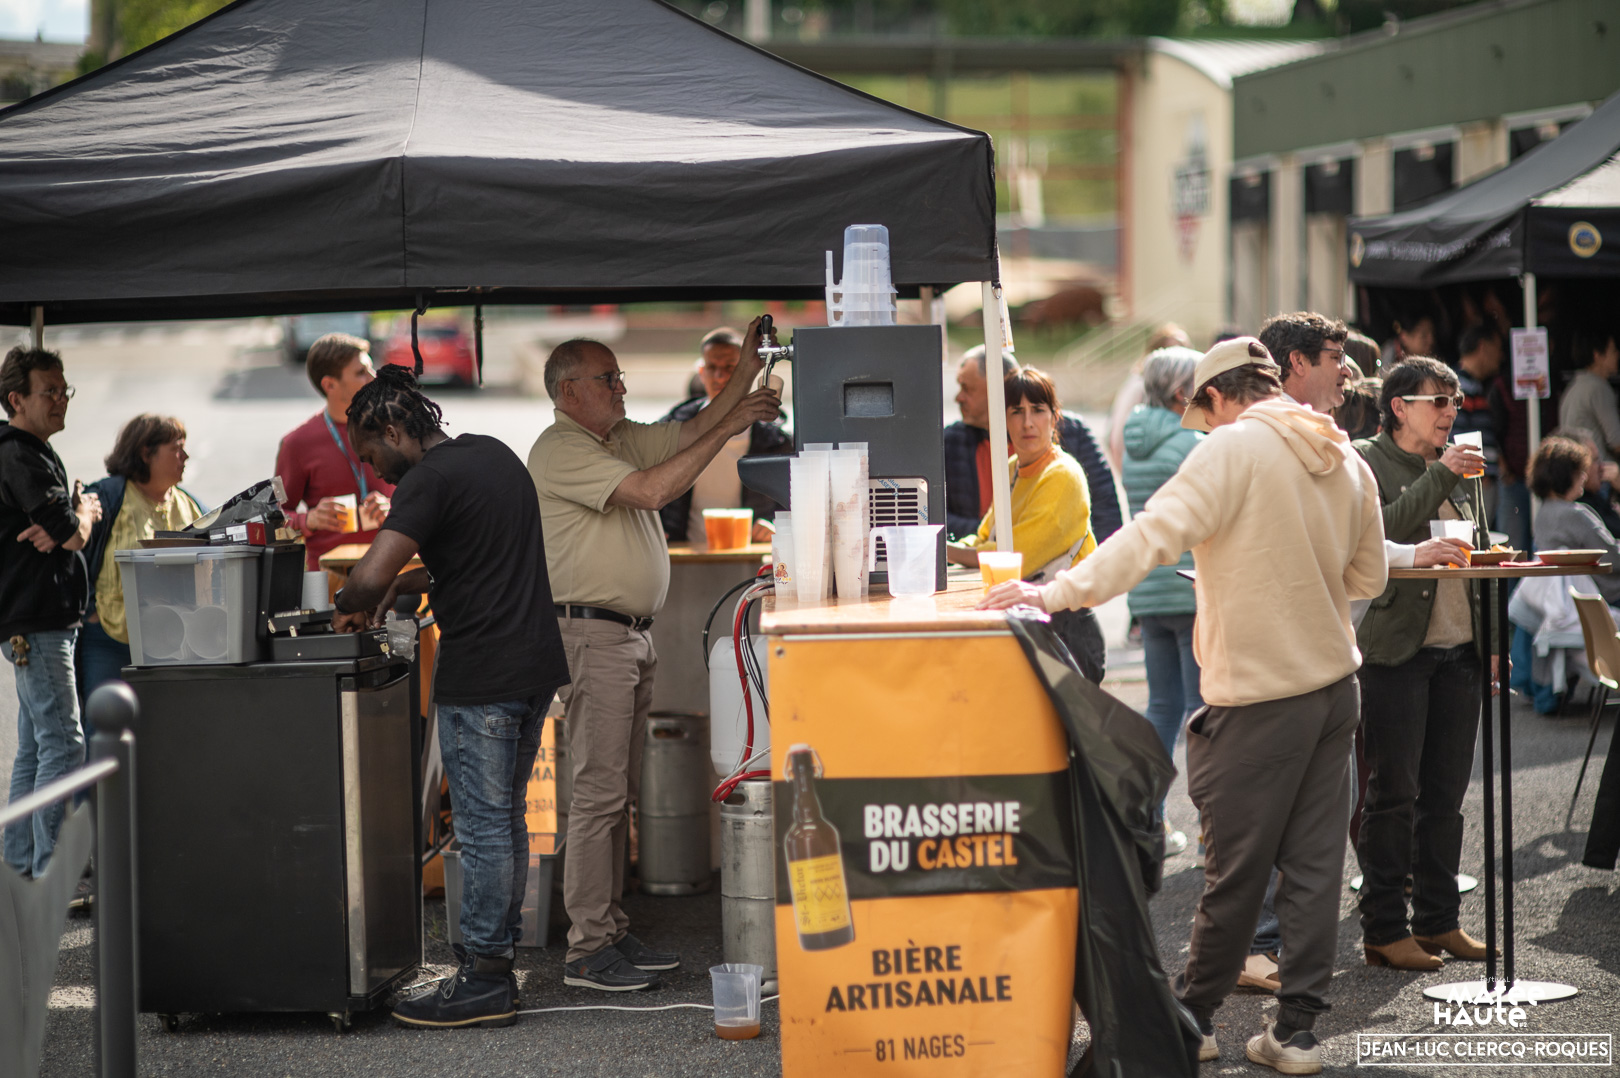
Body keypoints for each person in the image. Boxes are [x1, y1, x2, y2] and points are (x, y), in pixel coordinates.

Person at [983, 337, 1388, 1075]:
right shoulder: (1344, 454)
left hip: (1258, 696)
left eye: (1205, 415)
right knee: (1315, 867)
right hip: (1335, 687)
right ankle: (1296, 1032)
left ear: (1217, 398)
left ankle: (1192, 1019)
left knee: (1234, 870)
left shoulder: (1231, 448)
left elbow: (1148, 537)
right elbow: (1367, 579)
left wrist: (1052, 592)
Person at [529, 323, 781, 991]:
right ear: (568, 391)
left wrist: (745, 374)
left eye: (619, 376)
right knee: (599, 796)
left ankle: (609, 929)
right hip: (592, 637)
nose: (620, 387)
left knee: (620, 795)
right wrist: (734, 420)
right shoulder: (561, 448)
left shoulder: (613, 437)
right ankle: (588, 949)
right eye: (607, 378)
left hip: (625, 636)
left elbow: (695, 428)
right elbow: (652, 490)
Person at [330, 365, 570, 1028]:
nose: (376, 472)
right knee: (506, 820)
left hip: (484, 675)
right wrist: (403, 585)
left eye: (370, 456)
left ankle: (485, 977)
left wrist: (352, 598)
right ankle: (495, 965)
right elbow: (470, 559)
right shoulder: (491, 455)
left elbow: (366, 577)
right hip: (533, 666)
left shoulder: (426, 480)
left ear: (392, 429)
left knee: (484, 828)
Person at [1352, 357, 1493, 973]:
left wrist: (1491, 642)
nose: (1450, 412)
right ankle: (1384, 928)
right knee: (1393, 795)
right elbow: (1377, 535)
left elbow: (1478, 552)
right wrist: (1441, 473)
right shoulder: (1365, 460)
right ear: (1399, 407)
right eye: (1438, 400)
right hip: (1396, 651)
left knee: (1445, 797)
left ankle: (1438, 920)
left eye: (1455, 402)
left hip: (1459, 650)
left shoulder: (1460, 468)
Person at [1, 346, 101, 880]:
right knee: (64, 743)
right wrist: (80, 512)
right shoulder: (19, 453)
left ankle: (23, 868)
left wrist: (67, 521)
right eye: (50, 392)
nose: (61, 401)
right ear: (16, 399)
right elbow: (71, 533)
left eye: (65, 391)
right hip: (35, 621)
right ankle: (49, 875)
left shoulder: (30, 450)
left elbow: (61, 532)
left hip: (39, 619)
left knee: (37, 748)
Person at [946, 366, 1105, 681]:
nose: (1028, 422)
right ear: (1003, 420)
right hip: (1026, 620)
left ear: (1055, 417)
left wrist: (943, 550)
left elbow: (1012, 556)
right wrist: (953, 549)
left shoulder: (1063, 475)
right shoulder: (1011, 468)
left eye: (1038, 410)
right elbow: (984, 535)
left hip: (1067, 628)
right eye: (1016, 412)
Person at [1117, 346, 1203, 857]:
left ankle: (1150, 822)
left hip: (1148, 589)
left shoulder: (1134, 441)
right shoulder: (1193, 443)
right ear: (1180, 392)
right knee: (1201, 714)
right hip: (1189, 587)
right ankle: (1210, 831)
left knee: (1162, 708)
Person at [79, 414, 204, 706]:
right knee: (105, 720)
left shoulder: (189, 504)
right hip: (109, 641)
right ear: (146, 453)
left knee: (162, 725)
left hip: (173, 644)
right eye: (177, 448)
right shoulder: (105, 497)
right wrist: (91, 612)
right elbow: (74, 556)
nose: (185, 456)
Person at [943, 345, 1121, 543]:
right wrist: (996, 537)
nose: (958, 398)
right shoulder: (950, 442)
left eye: (967, 389)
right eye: (1017, 413)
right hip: (980, 559)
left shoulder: (1073, 434)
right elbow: (934, 517)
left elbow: (1107, 513)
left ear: (1000, 388)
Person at [657, 327, 792, 544]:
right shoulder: (673, 428)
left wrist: (776, 525)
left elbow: (795, 501)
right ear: (701, 372)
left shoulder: (775, 440)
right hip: (685, 554)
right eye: (712, 367)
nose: (719, 376)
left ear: (746, 371)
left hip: (746, 556)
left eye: (729, 367)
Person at [274, 332, 394, 571]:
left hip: (394, 571)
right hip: (332, 579)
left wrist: (394, 509)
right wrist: (308, 520)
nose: (374, 378)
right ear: (329, 385)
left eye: (371, 368)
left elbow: (426, 499)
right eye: (361, 372)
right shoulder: (295, 444)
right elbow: (271, 519)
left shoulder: (395, 431)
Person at [1531, 436, 1620, 605]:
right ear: (1565, 475)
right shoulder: (1575, 514)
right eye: (1580, 471)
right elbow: (1614, 557)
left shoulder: (1542, 513)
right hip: (1604, 596)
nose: (1584, 477)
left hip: (1568, 600)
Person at [1105, 322, 1192, 473]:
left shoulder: (1183, 388)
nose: (1180, 356)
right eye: (1174, 349)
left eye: (1185, 349)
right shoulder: (1140, 385)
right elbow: (1117, 437)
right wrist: (1127, 475)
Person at [1259, 311, 1351, 414]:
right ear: (1299, 361)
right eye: (1335, 357)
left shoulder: (1268, 417)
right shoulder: (1274, 421)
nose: (1348, 372)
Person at [1557, 327, 1620, 463]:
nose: (1617, 354)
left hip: (1575, 467)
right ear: (1597, 355)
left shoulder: (1573, 387)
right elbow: (1616, 441)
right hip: (1596, 468)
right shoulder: (1598, 388)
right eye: (1613, 350)